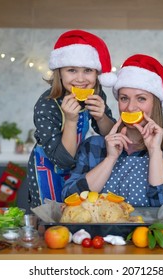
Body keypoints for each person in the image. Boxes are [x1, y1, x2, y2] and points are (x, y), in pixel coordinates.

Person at [62, 54, 163, 207]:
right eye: (124, 98)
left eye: (141, 98)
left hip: (149, 232)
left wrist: (155, 152)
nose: (130, 107)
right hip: (98, 232)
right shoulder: (93, 146)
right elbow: (70, 200)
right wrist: (110, 159)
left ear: (155, 104)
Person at [27, 29, 117, 207]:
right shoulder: (46, 105)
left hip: (76, 168)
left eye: (88, 70)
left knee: (73, 214)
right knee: (50, 220)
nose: (81, 79)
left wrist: (101, 118)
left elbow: (110, 137)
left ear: (96, 74)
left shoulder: (96, 94)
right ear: (59, 72)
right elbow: (62, 159)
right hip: (47, 167)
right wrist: (70, 121)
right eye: (72, 70)